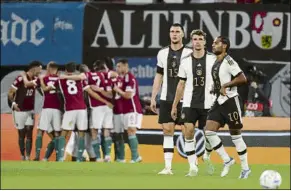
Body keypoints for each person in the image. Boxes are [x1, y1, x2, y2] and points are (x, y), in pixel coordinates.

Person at [171, 29, 216, 176]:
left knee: (209, 134)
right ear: (192, 41)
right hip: (189, 103)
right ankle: (192, 167)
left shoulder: (213, 59)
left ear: (204, 42)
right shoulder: (184, 62)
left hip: (209, 103)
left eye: (200, 39)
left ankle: (206, 156)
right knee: (188, 131)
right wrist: (174, 105)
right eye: (195, 39)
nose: (197, 42)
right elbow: (180, 85)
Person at [205, 36, 251, 179]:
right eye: (213, 43)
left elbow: (242, 78)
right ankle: (227, 159)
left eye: (216, 43)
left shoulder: (229, 60)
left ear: (224, 46)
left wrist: (226, 85)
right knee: (209, 132)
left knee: (236, 136)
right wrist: (217, 86)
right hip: (219, 101)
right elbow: (220, 80)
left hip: (231, 102)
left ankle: (245, 168)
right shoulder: (215, 61)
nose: (213, 45)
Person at [150, 23, 192, 174]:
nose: (174, 34)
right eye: (172, 31)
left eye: (177, 31)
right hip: (167, 96)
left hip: (186, 98)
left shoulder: (189, 52)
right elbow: (159, 75)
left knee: (188, 131)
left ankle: (192, 167)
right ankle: (168, 167)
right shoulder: (162, 53)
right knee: (167, 130)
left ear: (183, 34)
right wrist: (153, 97)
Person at [57, 62, 108, 162]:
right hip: (83, 109)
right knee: (82, 134)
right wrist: (105, 101)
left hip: (69, 109)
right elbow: (90, 92)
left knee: (65, 133)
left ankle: (60, 157)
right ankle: (80, 158)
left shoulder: (61, 80)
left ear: (66, 70)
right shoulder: (82, 79)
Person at [7, 61, 42, 160]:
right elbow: (10, 93)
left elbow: (41, 89)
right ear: (33, 68)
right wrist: (13, 103)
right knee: (22, 133)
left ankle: (28, 157)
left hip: (30, 110)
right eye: (39, 69)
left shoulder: (35, 79)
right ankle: (22, 156)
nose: (40, 72)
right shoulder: (20, 79)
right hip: (19, 110)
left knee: (29, 132)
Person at [113, 59, 143, 163]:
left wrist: (118, 90)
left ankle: (135, 157)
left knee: (131, 130)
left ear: (126, 66)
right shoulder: (119, 80)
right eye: (117, 66)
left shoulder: (130, 79)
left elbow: (128, 95)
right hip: (124, 111)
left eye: (119, 66)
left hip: (133, 109)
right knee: (125, 133)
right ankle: (134, 156)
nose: (117, 68)